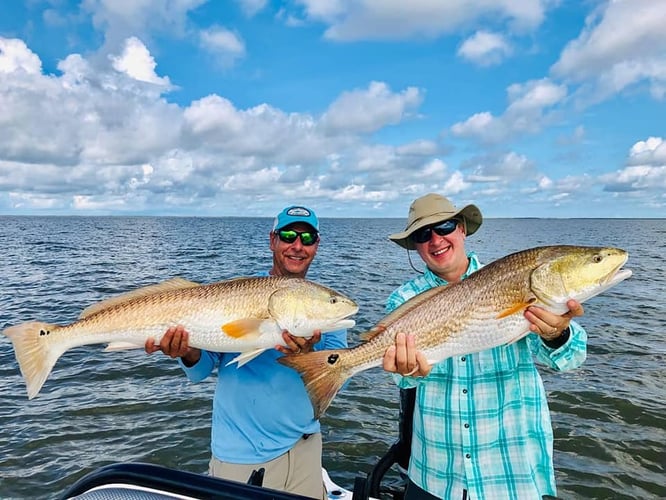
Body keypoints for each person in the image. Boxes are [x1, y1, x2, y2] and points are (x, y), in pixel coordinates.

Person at [382, 193, 587, 500]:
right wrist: (407, 371)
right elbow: (402, 377)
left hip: (510, 471)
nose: (436, 240)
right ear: (415, 245)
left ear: (462, 228)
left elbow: (571, 359)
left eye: (445, 227)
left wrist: (556, 334)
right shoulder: (404, 300)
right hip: (436, 473)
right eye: (423, 234)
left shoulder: (511, 277)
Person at [145, 206, 347, 499]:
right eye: (289, 235)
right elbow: (201, 370)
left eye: (308, 238)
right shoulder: (239, 293)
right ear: (272, 241)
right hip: (242, 454)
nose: (297, 246)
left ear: (317, 245)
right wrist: (185, 352)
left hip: (305, 446)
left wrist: (309, 354)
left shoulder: (326, 313)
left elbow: (338, 381)